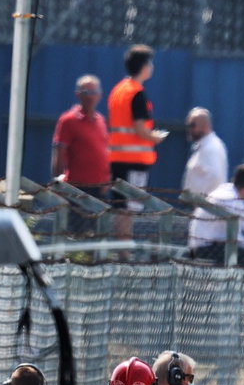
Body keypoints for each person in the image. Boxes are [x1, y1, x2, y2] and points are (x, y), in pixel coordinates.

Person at [108, 45, 164, 245]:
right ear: (143, 66)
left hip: (117, 159)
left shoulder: (118, 90)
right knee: (129, 210)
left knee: (120, 207)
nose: (151, 66)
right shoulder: (137, 93)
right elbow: (140, 129)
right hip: (134, 161)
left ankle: (120, 248)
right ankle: (124, 251)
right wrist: (154, 137)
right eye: (150, 62)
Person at [50, 75, 109, 237]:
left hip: (98, 189)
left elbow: (103, 152)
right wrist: (58, 181)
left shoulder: (100, 120)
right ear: (78, 94)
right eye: (86, 91)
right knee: (74, 233)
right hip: (76, 189)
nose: (90, 96)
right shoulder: (68, 120)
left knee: (95, 233)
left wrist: (106, 180)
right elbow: (59, 152)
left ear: (100, 95)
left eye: (94, 92)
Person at [187, 164, 244, 268]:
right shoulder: (230, 200)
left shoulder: (229, 193)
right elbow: (235, 236)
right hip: (206, 248)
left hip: (204, 245)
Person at [182, 107, 229, 198]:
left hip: (208, 207)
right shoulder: (204, 146)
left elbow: (215, 177)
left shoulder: (212, 148)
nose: (189, 130)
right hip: (201, 206)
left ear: (205, 126)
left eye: (192, 125)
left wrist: (201, 199)